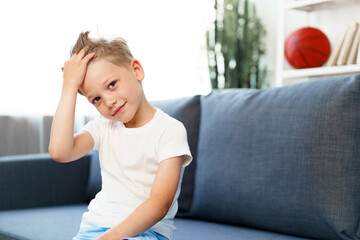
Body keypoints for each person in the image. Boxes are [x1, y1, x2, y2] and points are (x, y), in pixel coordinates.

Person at [48, 31, 192, 240]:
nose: (108, 101)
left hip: (148, 233)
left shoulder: (170, 130)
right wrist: (69, 86)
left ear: (136, 70)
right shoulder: (102, 127)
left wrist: (108, 239)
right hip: (94, 230)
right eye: (96, 98)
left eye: (112, 85)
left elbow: (159, 204)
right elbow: (60, 152)